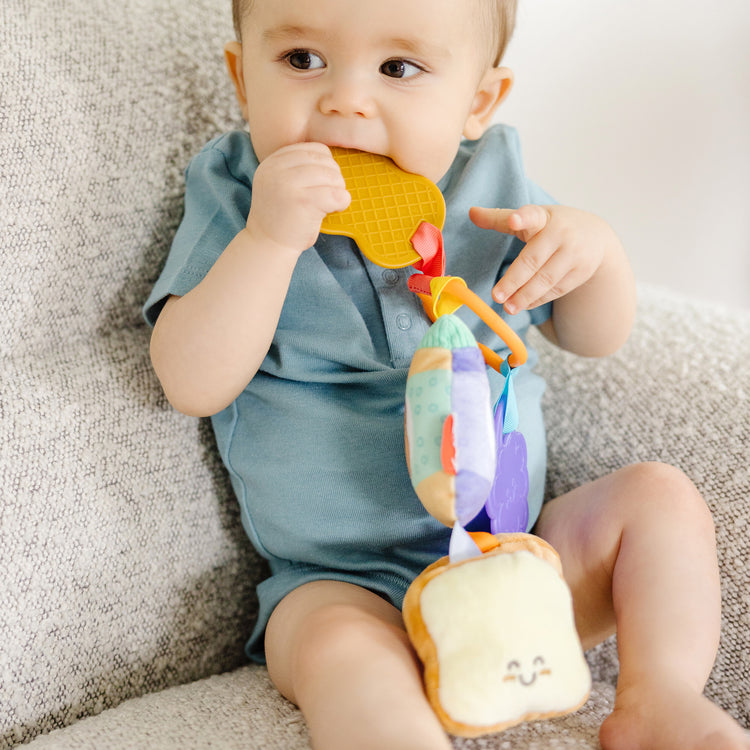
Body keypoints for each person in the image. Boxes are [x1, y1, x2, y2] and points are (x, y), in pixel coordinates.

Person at [144, 0, 749, 748]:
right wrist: (270, 241)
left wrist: (595, 255)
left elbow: (597, 336)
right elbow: (189, 381)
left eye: (399, 68)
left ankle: (658, 696)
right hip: (345, 584)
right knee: (334, 649)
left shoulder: (497, 187)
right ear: (243, 79)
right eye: (301, 60)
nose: (344, 100)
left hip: (515, 563)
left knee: (659, 498)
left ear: (478, 101)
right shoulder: (237, 195)